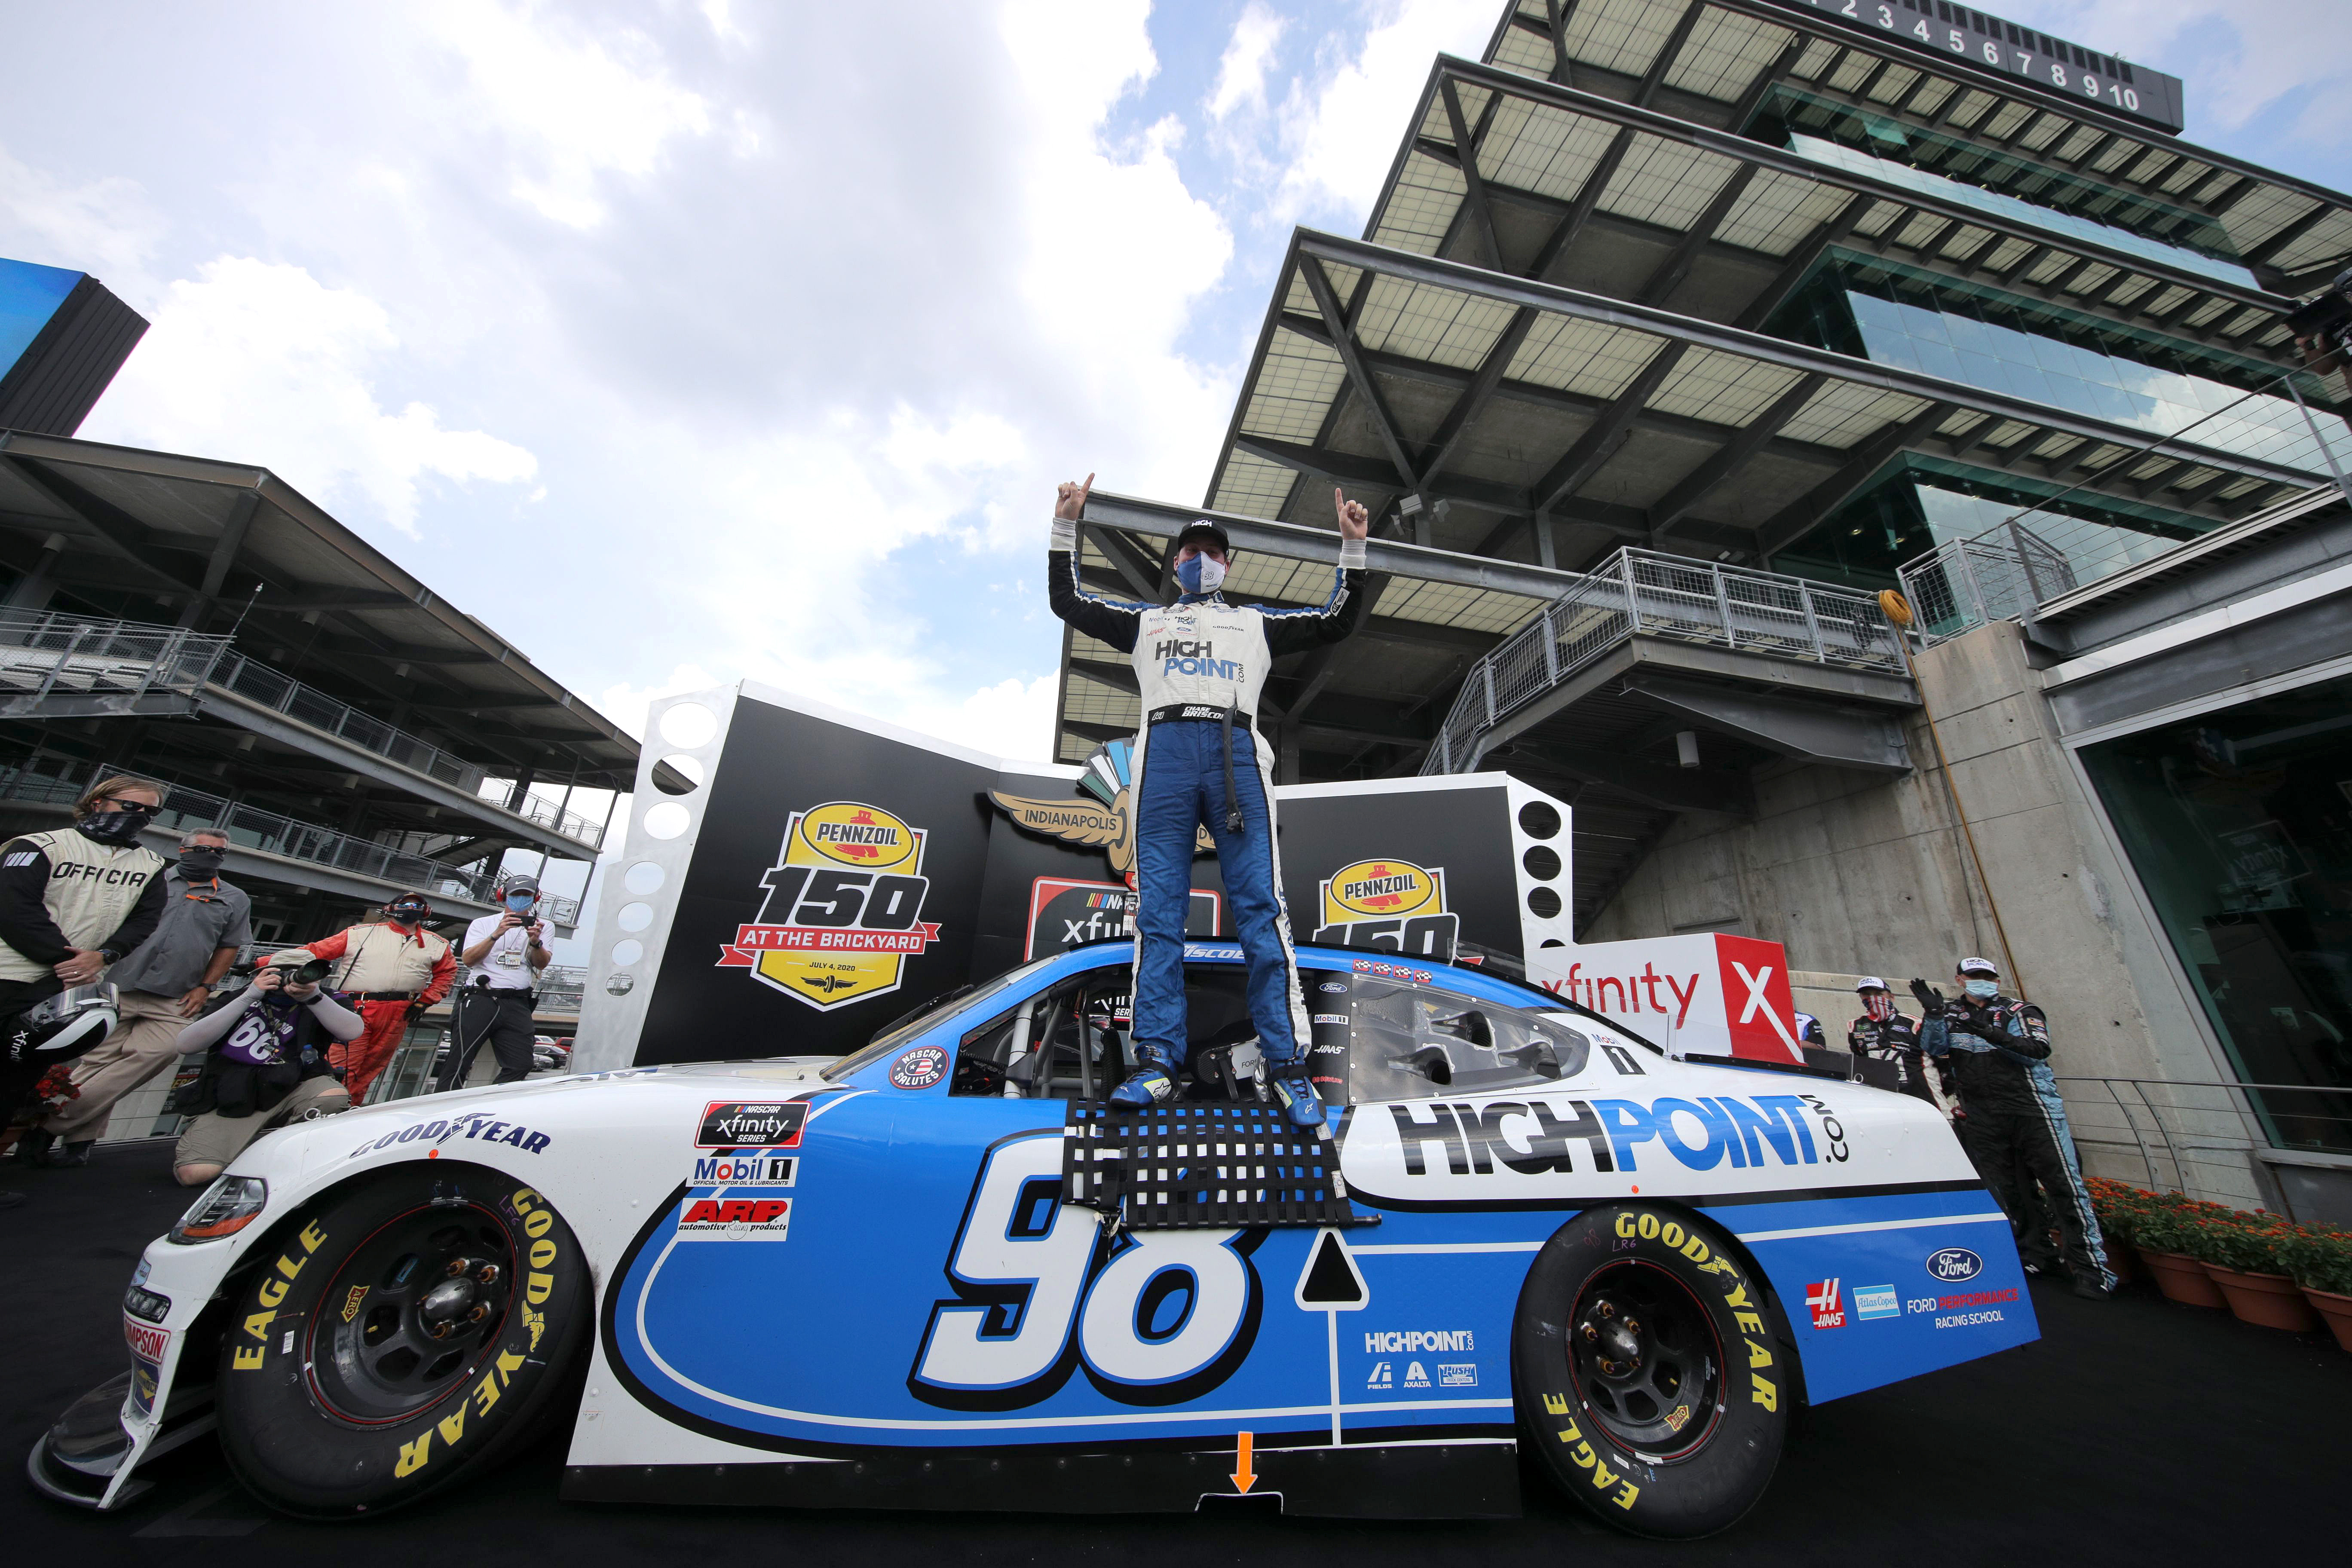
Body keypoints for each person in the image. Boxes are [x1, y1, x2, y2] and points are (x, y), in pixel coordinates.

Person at [1046, 475, 1368, 1125]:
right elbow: (1067, 602)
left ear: (1228, 563)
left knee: (1260, 910)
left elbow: (1336, 621)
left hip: (1235, 758)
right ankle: (1158, 1063)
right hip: (1163, 759)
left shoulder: (1255, 624)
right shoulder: (1148, 621)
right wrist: (1064, 527)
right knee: (1157, 916)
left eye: (1213, 551)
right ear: (1175, 564)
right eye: (1191, 551)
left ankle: (1285, 1067)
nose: (1201, 559)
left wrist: (1352, 549)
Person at [15, 827, 249, 1167]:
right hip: (116, 986)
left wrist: (206, 987)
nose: (212, 855)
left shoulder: (234, 897)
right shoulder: (148, 883)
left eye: (220, 852)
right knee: (98, 1062)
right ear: (183, 851)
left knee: (161, 1051)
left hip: (177, 996)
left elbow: (230, 946)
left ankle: (48, 1124)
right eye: (203, 849)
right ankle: (79, 1142)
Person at [1918, 956, 2113, 1299]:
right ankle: (2036, 1255)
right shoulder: (1949, 1013)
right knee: (2010, 1190)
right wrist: (1933, 1016)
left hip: (2033, 1109)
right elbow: (1934, 1050)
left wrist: (1983, 1029)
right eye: (1975, 975)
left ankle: (2091, 1269)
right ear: (1960, 979)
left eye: (1988, 976)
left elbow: (2036, 1051)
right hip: (1983, 1114)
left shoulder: (2020, 1011)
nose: (1982, 980)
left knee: (2064, 1187)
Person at [0, 775, 169, 1129]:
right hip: (10, 974)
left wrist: (105, 956)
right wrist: (68, 960)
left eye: (150, 811)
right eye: (130, 806)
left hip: (66, 988)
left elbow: (145, 921)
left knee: (15, 1083)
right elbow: (14, 910)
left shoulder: (151, 864)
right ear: (98, 802)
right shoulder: (39, 846)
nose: (139, 815)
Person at [171, 952, 362, 1186]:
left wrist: (314, 998)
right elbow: (187, 1045)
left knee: (332, 1097)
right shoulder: (239, 997)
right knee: (196, 1174)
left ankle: (288, 1156)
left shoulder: (327, 1000)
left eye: (298, 973)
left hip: (294, 1089)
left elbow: (352, 1032)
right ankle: (227, 1144)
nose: (286, 980)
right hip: (232, 1096)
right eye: (279, 973)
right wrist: (250, 995)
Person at [284, 891, 454, 1102]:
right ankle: (327, 1108)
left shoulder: (438, 943)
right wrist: (261, 964)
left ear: (426, 911)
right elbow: (314, 952)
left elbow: (446, 974)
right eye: (405, 904)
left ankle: (349, 1111)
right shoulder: (359, 933)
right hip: (356, 1007)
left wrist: (425, 1001)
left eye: (417, 905)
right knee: (341, 1065)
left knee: (370, 1069)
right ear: (391, 909)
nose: (411, 908)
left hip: (399, 1012)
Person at [439, 876, 551, 1090]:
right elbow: (470, 960)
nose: (521, 899)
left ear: (535, 898)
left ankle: (485, 1105)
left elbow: (542, 964)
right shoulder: (483, 924)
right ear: (504, 896)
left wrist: (536, 943)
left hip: (517, 1001)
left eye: (526, 895)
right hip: (481, 997)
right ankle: (442, 1110)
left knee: (521, 1064)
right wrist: (496, 934)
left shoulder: (544, 927)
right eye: (516, 895)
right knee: (459, 1061)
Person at [1845, 976, 1952, 1114]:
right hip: (1883, 1102)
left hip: (1922, 1099)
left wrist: (1934, 1014)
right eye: (1867, 995)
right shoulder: (1855, 1026)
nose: (1873, 999)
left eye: (1879, 994)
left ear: (1892, 997)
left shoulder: (1914, 1023)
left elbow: (1941, 1056)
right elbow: (1859, 1062)